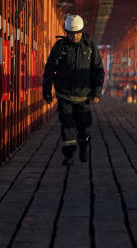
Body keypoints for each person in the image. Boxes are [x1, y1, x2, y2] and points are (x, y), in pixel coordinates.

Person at [42, 14, 105, 165]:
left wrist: (96, 92)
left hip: (83, 96)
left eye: (77, 33)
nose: (74, 36)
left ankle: (84, 145)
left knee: (83, 126)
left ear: (82, 31)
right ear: (66, 32)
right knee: (67, 125)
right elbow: (49, 70)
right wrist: (46, 91)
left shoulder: (90, 47)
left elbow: (98, 70)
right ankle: (69, 156)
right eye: (71, 33)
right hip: (64, 95)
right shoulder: (60, 47)